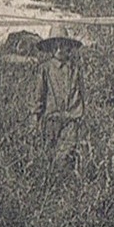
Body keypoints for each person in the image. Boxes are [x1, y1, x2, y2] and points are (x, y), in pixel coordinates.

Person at [31, 24, 86, 163]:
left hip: (70, 121)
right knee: (47, 157)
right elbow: (39, 95)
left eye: (63, 45)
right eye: (56, 46)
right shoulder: (45, 69)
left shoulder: (75, 69)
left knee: (64, 157)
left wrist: (76, 116)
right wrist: (35, 117)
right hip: (50, 121)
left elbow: (80, 94)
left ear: (68, 47)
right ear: (51, 48)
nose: (60, 49)